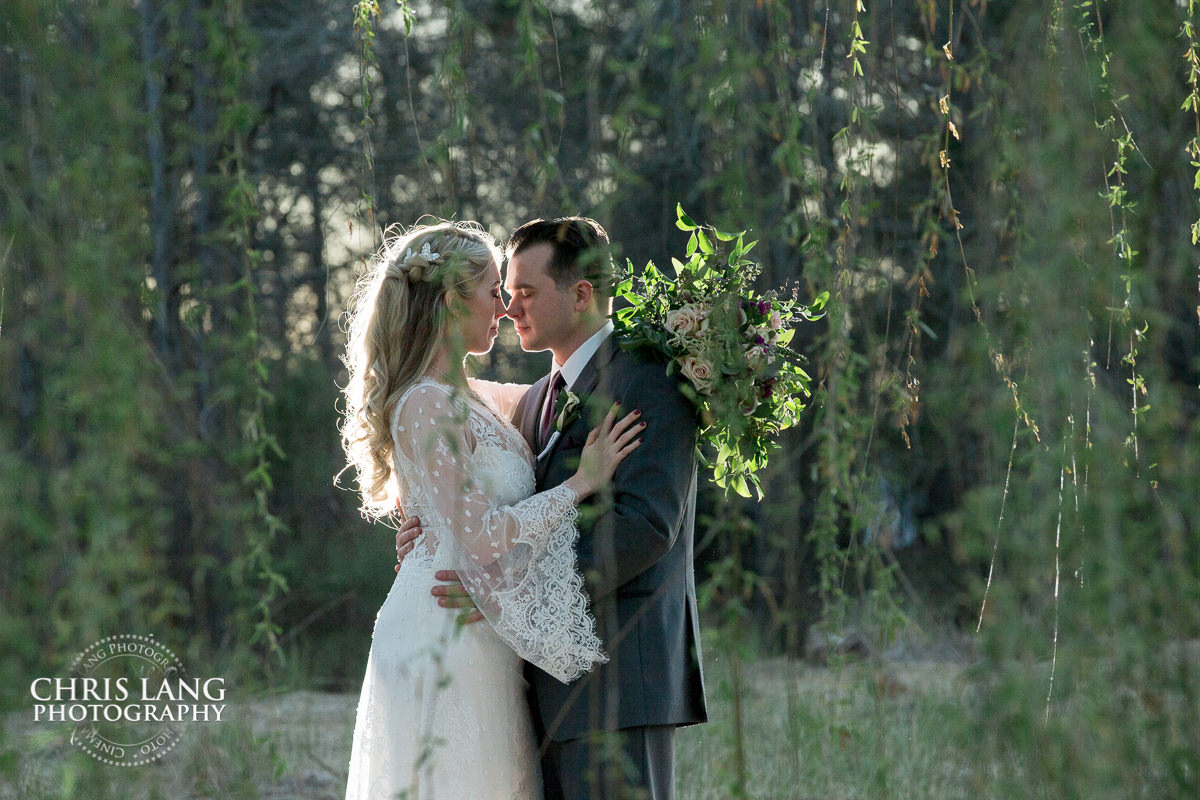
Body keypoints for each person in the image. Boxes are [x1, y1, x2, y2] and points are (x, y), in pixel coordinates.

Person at [398, 217, 707, 800]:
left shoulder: (649, 380)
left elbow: (643, 526)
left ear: (582, 293)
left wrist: (507, 595)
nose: (509, 307)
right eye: (505, 293)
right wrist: (433, 537)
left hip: (619, 679)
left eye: (526, 292)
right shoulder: (535, 398)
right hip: (535, 687)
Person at [340, 220, 646, 800]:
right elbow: (480, 536)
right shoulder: (425, 405)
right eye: (492, 293)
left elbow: (562, 385)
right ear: (453, 301)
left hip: (484, 628)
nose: (504, 309)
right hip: (444, 629)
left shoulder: (477, 396)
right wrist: (581, 483)